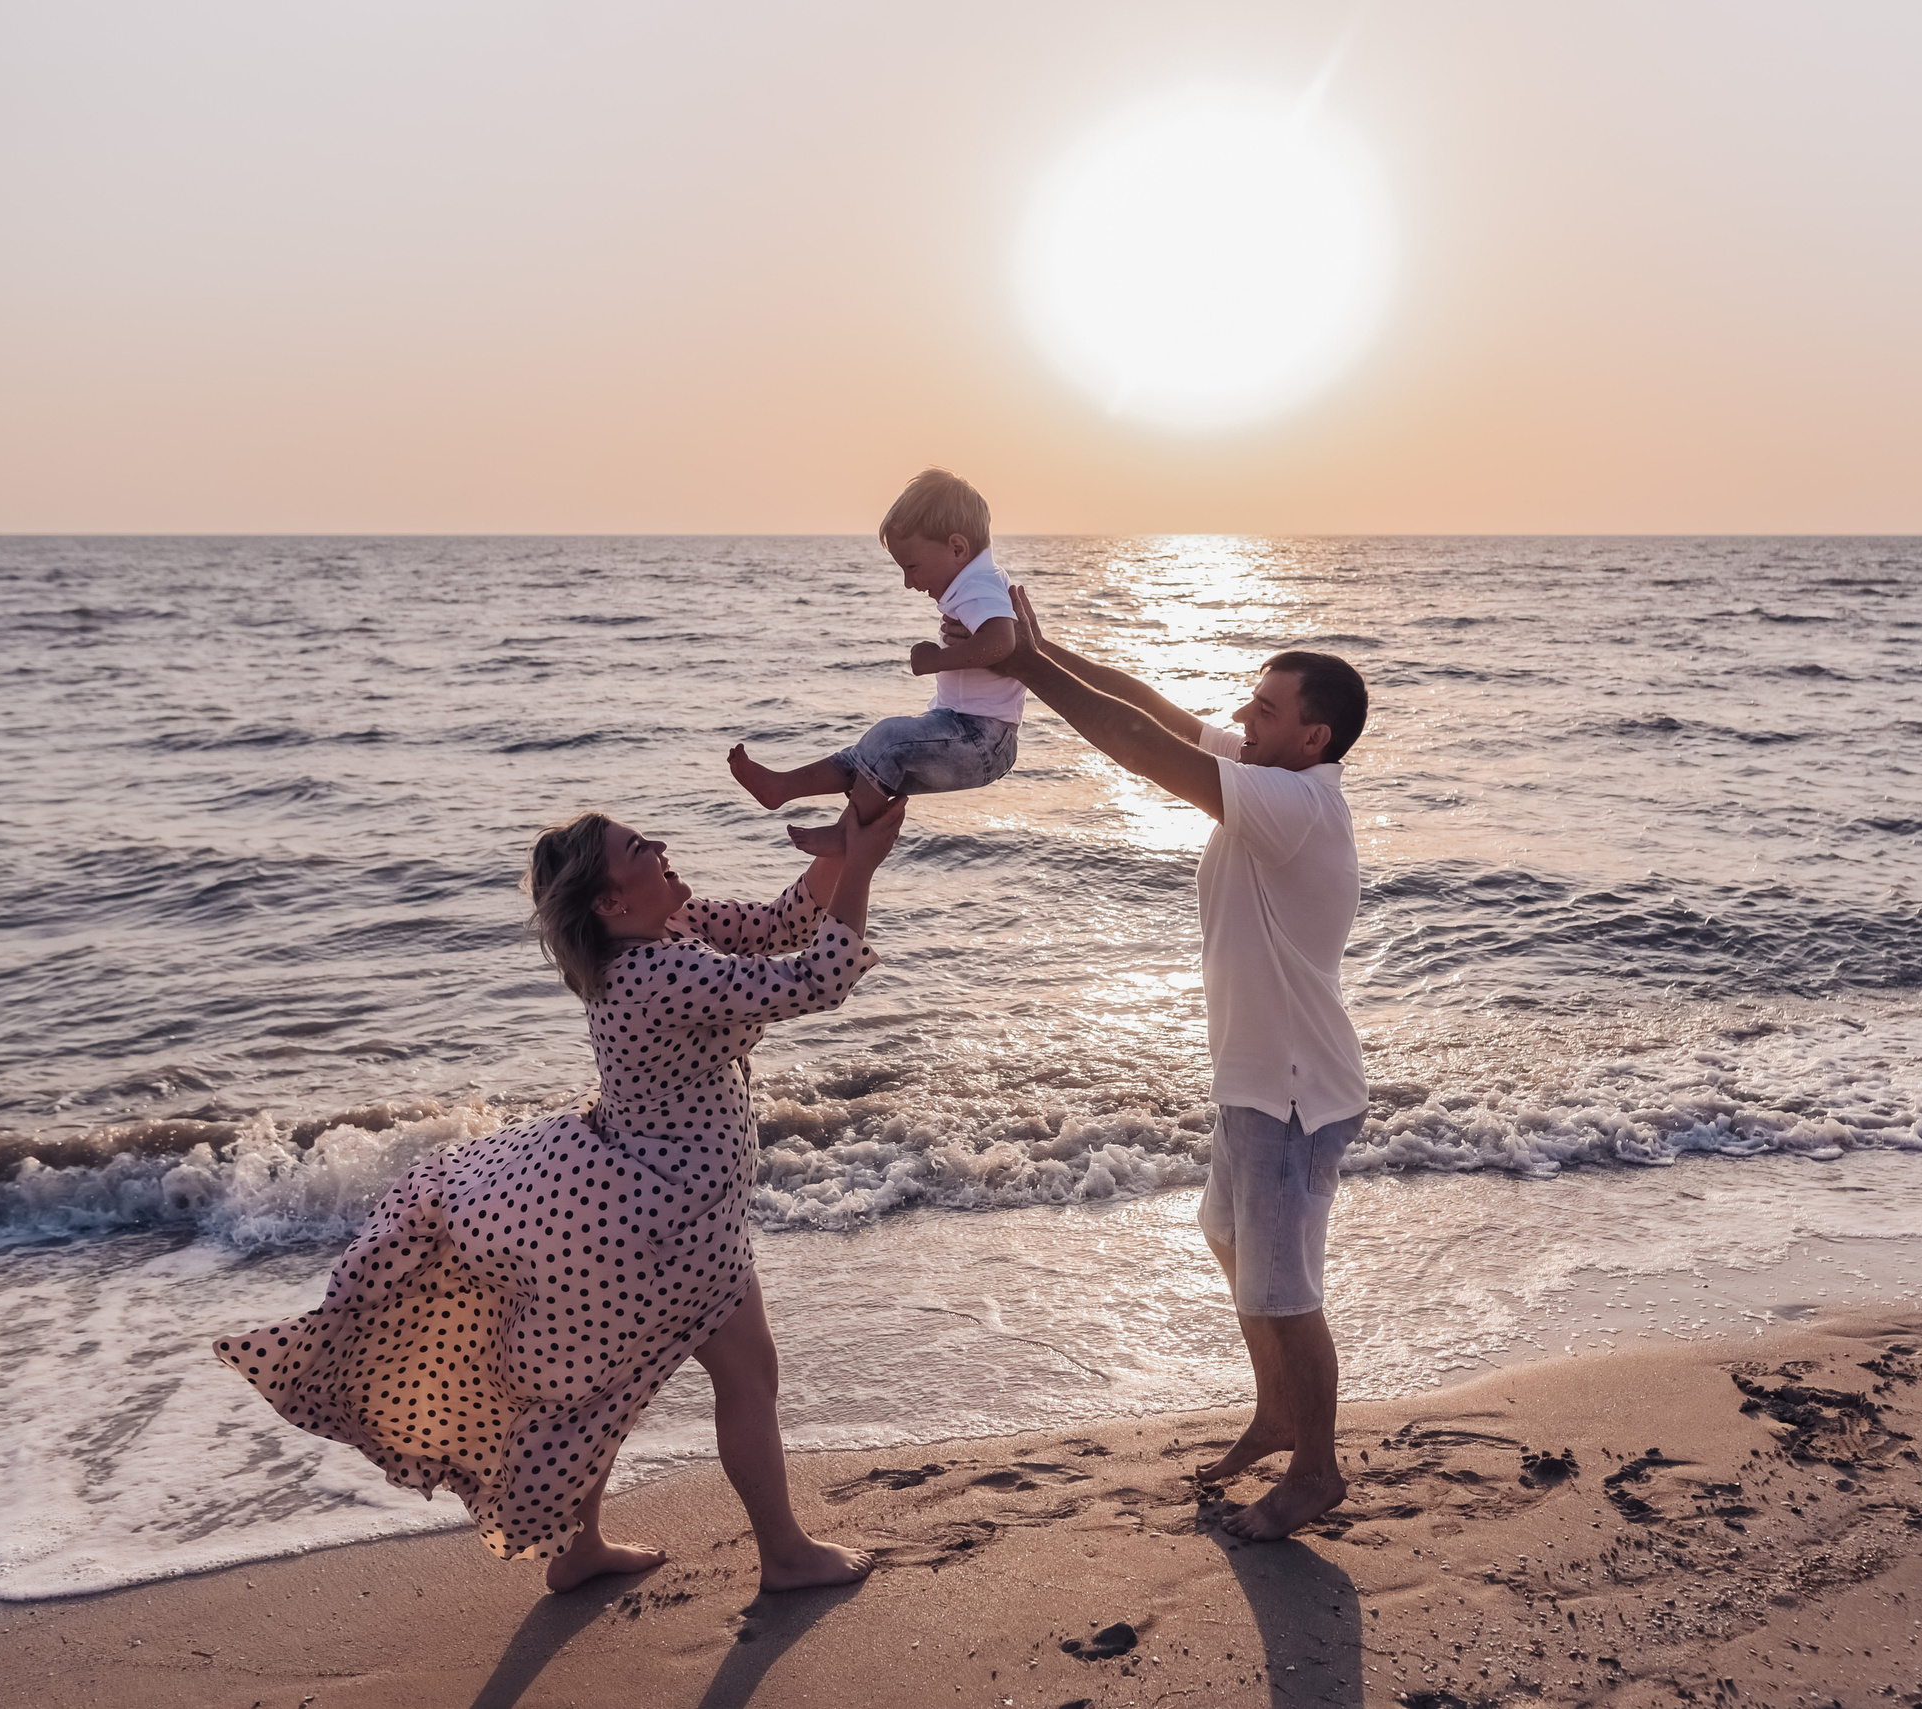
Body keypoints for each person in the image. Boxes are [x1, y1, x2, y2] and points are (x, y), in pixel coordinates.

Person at [213, 796, 905, 1594]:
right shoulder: (652, 969)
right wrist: (862, 867)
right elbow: (818, 978)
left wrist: (841, 848)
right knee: (744, 1375)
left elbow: (782, 923)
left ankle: (581, 1551)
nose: (663, 848)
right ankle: (782, 1554)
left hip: (649, 1197)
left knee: (610, 1382)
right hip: (670, 1216)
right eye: (641, 847)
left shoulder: (669, 928)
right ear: (611, 900)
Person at [992, 586, 1369, 1540]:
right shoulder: (1266, 769)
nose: (1243, 714)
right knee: (1233, 1248)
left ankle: (1318, 1469)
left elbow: (1143, 749)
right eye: (1250, 700)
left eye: (1266, 706)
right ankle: (1279, 1414)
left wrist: (1026, 670)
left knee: (1286, 1290)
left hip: (1291, 1092)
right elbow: (1157, 711)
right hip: (1254, 1084)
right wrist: (1047, 647)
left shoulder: (1295, 804)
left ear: (1314, 737)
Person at [728, 468, 1024, 856]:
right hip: (963, 727)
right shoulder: (978, 578)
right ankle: (783, 788)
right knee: (869, 754)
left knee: (886, 742)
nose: (908, 582)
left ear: (957, 548)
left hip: (984, 740)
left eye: (912, 567)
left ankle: (847, 835)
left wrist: (937, 660)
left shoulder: (978, 584)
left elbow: (1002, 642)